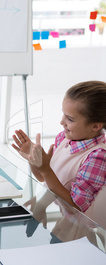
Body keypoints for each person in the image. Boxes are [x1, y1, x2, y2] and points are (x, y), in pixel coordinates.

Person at [12, 80, 106, 226]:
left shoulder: (98, 157)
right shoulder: (64, 138)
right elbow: (43, 177)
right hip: (63, 223)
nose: (61, 122)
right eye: (63, 114)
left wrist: (46, 169)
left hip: (83, 231)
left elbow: (77, 207)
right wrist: (33, 157)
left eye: (70, 119)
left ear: (95, 126)